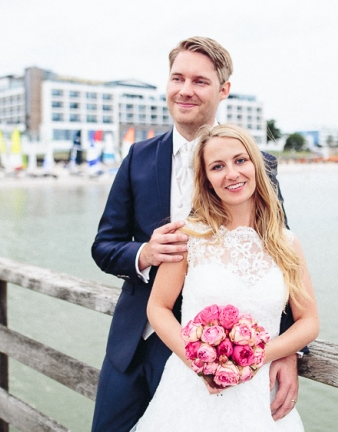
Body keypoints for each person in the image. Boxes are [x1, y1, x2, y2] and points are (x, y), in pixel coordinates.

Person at [91, 37, 301, 431]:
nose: (185, 90)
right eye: (177, 78)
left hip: (227, 355)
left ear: (223, 90)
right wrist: (145, 253)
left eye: (200, 81)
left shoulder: (257, 166)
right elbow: (103, 246)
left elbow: (278, 258)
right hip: (138, 338)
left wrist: (287, 351)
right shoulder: (138, 157)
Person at [133, 124, 319, 431]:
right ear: (206, 180)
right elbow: (158, 307)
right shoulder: (188, 236)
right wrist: (200, 361)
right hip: (190, 393)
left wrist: (255, 358)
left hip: (259, 399)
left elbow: (309, 321)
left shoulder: (287, 244)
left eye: (240, 160)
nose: (231, 173)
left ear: (256, 166)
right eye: (217, 166)